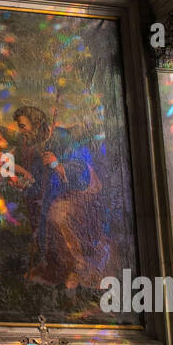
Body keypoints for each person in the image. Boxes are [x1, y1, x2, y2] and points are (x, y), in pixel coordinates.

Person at [13, 104, 105, 290]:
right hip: (50, 192)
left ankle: (77, 266)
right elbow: (37, 176)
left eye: (23, 126)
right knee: (36, 210)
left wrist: (58, 165)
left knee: (56, 216)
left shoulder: (63, 138)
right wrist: (24, 182)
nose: (20, 131)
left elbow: (82, 167)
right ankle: (50, 264)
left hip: (78, 192)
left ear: (37, 124)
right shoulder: (30, 143)